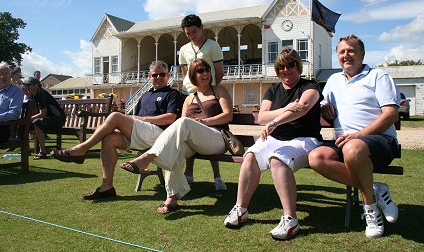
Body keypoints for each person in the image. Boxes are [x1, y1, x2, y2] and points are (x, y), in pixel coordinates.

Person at [223, 48, 323, 240]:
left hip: (304, 139)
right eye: (281, 67)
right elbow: (262, 117)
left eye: (291, 65)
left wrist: (275, 121)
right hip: (275, 138)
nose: (286, 70)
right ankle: (241, 209)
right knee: (250, 156)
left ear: (298, 66)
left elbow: (301, 110)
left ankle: (290, 219)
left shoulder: (310, 86)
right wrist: (285, 108)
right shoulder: (273, 89)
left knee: (278, 159)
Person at [308, 35, 400, 238]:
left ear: (362, 54)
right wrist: (323, 108)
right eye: (342, 52)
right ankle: (375, 189)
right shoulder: (333, 80)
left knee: (353, 148)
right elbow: (324, 103)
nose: (346, 55)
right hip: (345, 142)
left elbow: (391, 114)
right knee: (316, 157)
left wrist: (358, 135)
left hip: (381, 140)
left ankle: (370, 209)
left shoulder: (378, 76)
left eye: (351, 51)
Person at [51, 60, 182, 200]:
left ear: (168, 76)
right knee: (109, 139)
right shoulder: (145, 95)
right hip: (142, 134)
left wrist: (142, 119)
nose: (159, 78)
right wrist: (132, 122)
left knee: (115, 116)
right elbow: (135, 120)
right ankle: (107, 187)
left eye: (162, 74)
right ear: (149, 77)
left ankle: (82, 149)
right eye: (155, 75)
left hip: (160, 136)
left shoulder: (172, 94)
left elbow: (170, 118)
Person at [120, 59, 233, 214]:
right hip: (195, 143)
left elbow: (228, 116)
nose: (205, 73)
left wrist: (205, 122)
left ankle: (147, 158)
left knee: (184, 122)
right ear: (193, 75)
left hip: (217, 138)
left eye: (207, 69)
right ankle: (172, 198)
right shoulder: (188, 98)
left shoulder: (219, 90)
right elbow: (180, 126)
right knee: (175, 147)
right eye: (200, 71)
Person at [179, 14, 226, 190]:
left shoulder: (213, 46)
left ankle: (217, 176)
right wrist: (193, 90)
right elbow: (186, 74)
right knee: (188, 132)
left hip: (208, 95)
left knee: (211, 132)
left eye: (194, 31)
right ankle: (188, 174)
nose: (191, 35)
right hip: (190, 95)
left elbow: (219, 72)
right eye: (188, 33)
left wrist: (210, 91)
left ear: (201, 28)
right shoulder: (184, 49)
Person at [22, 77, 66, 159]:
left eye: (29, 85)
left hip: (58, 120)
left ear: (36, 86)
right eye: (25, 85)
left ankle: (43, 152)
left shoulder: (41, 94)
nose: (26, 87)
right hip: (47, 119)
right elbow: (31, 111)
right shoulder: (32, 95)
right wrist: (26, 119)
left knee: (36, 122)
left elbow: (42, 114)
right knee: (24, 124)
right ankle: (26, 150)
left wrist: (29, 118)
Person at [0, 62, 24, 144]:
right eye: (1, 74)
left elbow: (15, 113)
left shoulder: (16, 91)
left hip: (0, 127)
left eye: (7, 74)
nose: (5, 76)